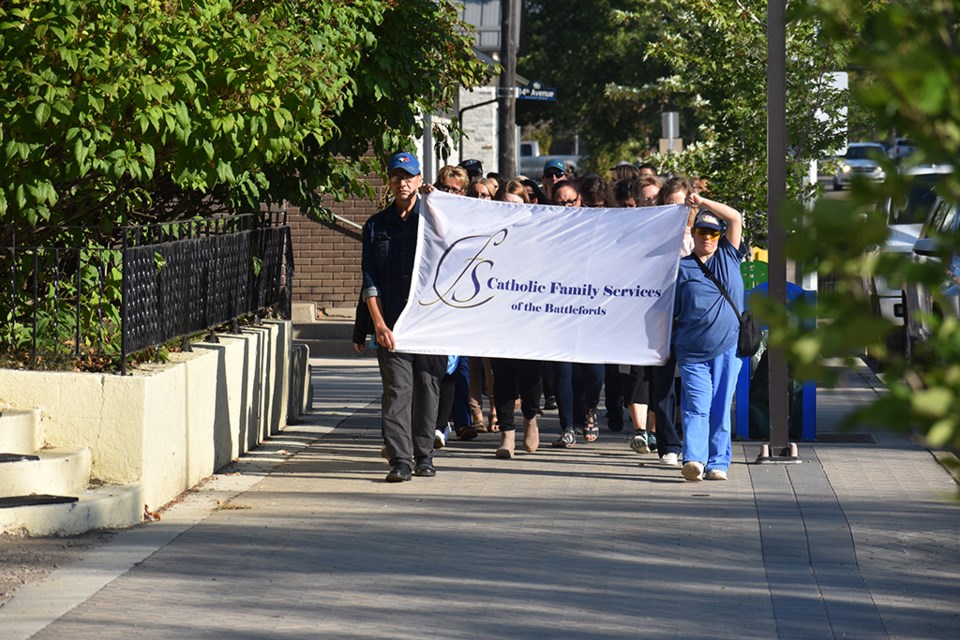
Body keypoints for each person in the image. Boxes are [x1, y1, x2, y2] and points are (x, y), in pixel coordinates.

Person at [358, 151, 448, 482]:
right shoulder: (376, 226)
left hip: (428, 325)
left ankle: (425, 455)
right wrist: (378, 325)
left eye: (408, 176)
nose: (402, 182)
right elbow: (370, 282)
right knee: (398, 391)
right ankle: (400, 459)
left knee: (427, 389)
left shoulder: (434, 220)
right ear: (390, 182)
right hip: (392, 325)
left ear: (419, 180)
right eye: (396, 177)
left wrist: (440, 201)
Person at [673, 196, 745, 481]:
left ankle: (719, 462)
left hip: (728, 348)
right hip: (692, 351)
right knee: (696, 407)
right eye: (703, 231)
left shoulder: (729, 254)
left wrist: (701, 201)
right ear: (694, 234)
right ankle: (694, 460)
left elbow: (735, 217)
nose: (708, 238)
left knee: (720, 407)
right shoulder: (681, 268)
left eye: (714, 232)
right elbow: (670, 311)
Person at [547, 180, 605, 447]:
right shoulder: (546, 229)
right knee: (563, 370)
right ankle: (567, 425)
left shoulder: (596, 226)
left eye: (571, 201)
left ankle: (591, 409)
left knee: (595, 372)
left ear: (580, 200)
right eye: (561, 202)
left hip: (591, 310)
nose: (567, 206)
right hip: (558, 310)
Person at [487, 184, 543, 458]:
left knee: (530, 375)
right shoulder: (491, 233)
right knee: (503, 375)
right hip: (499, 314)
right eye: (505, 203)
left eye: (516, 203)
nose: (511, 209)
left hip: (530, 315)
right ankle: (507, 433)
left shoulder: (538, 235)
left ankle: (531, 417)